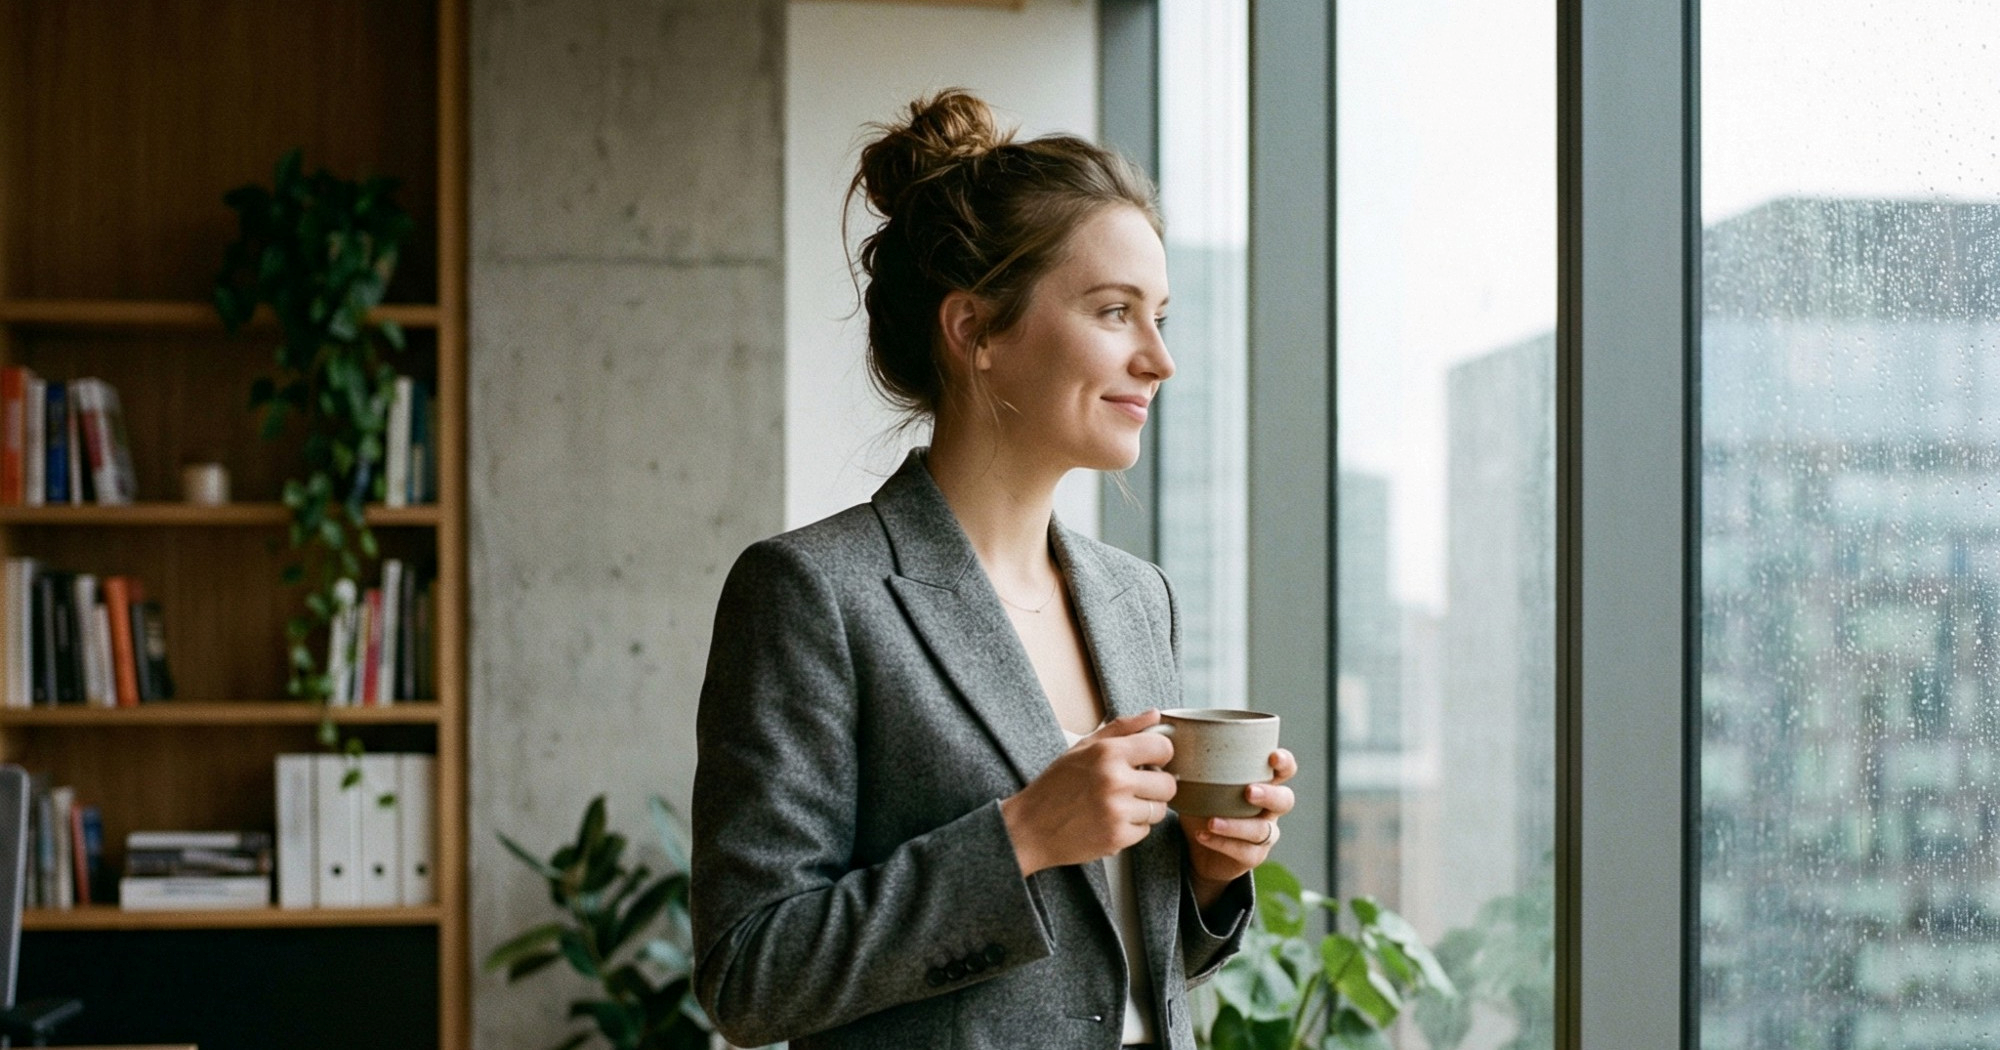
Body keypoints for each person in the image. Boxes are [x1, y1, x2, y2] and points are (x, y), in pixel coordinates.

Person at [690, 90, 1297, 1050]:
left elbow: (1112, 976)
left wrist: (1215, 876)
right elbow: (750, 974)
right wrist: (1019, 838)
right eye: (1115, 312)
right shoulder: (813, 595)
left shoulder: (1138, 600)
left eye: (1162, 316)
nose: (1160, 360)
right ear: (975, 330)